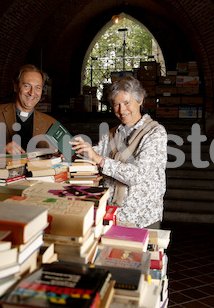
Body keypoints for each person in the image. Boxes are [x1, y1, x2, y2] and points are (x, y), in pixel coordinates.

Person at [70, 75, 167, 228]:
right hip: (111, 215)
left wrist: (99, 159)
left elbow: (137, 175)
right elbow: (94, 153)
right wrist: (77, 151)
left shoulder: (155, 133)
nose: (122, 110)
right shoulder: (112, 133)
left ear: (140, 100)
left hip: (142, 220)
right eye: (116, 104)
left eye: (127, 103)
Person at [0, 64, 57, 156]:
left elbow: (62, 154)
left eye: (37, 88)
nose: (32, 93)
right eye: (27, 86)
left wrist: (71, 151)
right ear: (15, 87)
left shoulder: (51, 123)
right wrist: (0, 148)